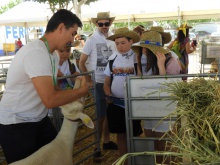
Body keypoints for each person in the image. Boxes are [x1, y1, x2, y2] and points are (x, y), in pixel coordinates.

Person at [0, 9, 89, 164]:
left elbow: (54, 89)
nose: (72, 39)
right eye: (72, 33)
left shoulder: (52, 54)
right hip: (17, 124)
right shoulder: (36, 52)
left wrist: (74, 92)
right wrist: (81, 91)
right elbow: (50, 100)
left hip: (38, 118)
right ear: (61, 27)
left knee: (56, 156)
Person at [131, 31, 181, 164]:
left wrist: (161, 68)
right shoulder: (144, 61)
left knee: (163, 147)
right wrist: (139, 68)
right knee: (152, 144)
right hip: (149, 110)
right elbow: (140, 85)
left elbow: (172, 90)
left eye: (145, 48)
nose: (142, 51)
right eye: (141, 48)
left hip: (164, 112)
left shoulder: (171, 62)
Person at [79, 11, 118, 162]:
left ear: (109, 23)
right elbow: (81, 62)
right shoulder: (91, 39)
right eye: (100, 24)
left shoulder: (113, 39)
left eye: (106, 23)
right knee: (100, 116)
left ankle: (106, 141)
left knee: (108, 113)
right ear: (96, 24)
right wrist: (88, 79)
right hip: (99, 81)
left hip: (111, 81)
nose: (104, 26)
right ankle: (96, 147)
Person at [103, 27, 142, 157]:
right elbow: (107, 82)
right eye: (117, 43)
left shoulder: (137, 58)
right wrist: (108, 93)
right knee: (120, 134)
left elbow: (141, 79)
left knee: (134, 134)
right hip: (117, 104)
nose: (119, 46)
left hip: (133, 103)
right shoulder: (112, 59)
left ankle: (134, 158)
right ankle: (124, 159)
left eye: (123, 43)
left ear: (131, 41)